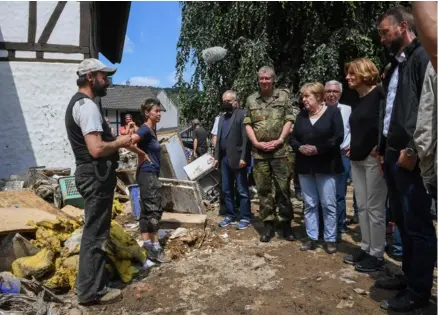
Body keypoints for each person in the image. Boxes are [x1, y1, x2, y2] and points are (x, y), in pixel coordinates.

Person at [376, 6, 437, 312]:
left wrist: (413, 150)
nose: (382, 39)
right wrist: (381, 146)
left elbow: (426, 111)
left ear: (402, 27)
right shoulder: (397, 64)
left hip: (409, 158)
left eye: (385, 32)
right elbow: (390, 113)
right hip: (391, 155)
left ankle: (419, 291)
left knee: (417, 225)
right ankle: (409, 275)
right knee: (401, 220)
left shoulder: (423, 57)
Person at [65, 58, 133, 305]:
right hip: (95, 174)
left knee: (94, 231)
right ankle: (91, 292)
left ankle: (89, 283)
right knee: (95, 234)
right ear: (91, 77)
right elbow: (96, 148)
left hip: (90, 174)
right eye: (104, 76)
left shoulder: (82, 104)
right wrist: (120, 143)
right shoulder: (87, 106)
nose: (108, 81)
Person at [342, 58, 387, 273]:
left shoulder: (380, 94)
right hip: (357, 159)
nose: (348, 77)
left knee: (375, 208)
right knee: (362, 207)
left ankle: (377, 254)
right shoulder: (357, 99)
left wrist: (378, 147)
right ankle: (366, 247)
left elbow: (387, 123)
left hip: (373, 159)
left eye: (352, 73)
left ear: (364, 73)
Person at [243, 66, 296, 243]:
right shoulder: (251, 100)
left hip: (280, 152)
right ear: (258, 80)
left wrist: (281, 139)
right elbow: (248, 123)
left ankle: (286, 224)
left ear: (273, 79)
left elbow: (289, 119)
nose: (264, 81)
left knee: (283, 189)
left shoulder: (283, 96)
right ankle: (268, 224)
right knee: (263, 190)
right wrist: (256, 143)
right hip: (260, 154)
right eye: (261, 78)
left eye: (267, 78)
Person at [290, 82, 344, 254]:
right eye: (303, 96)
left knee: (328, 203)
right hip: (305, 166)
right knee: (310, 203)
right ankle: (312, 236)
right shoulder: (301, 116)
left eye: (307, 96)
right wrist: (299, 147)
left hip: (326, 165)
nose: (303, 99)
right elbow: (293, 139)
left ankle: (330, 239)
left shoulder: (333, 112)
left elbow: (338, 137)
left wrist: (318, 148)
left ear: (318, 97)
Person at [130, 98, 170, 263]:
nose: (159, 114)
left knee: (146, 211)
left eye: (160, 111)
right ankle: (156, 248)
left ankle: (147, 245)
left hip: (147, 174)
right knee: (154, 211)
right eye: (156, 111)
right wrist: (141, 154)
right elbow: (130, 141)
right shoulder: (145, 129)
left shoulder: (152, 130)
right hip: (148, 174)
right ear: (147, 113)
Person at [215, 90, 252, 230]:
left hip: (238, 158)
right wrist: (217, 157)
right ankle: (231, 215)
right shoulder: (221, 118)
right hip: (224, 159)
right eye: (224, 101)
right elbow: (218, 140)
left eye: (228, 101)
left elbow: (245, 139)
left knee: (242, 190)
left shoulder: (242, 114)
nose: (225, 104)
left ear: (235, 102)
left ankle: (245, 216)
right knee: (226, 189)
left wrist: (244, 157)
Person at [324, 80, 353, 235]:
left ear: (340, 94)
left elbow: (355, 128)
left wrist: (352, 145)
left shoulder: (347, 109)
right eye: (328, 91)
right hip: (323, 156)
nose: (331, 94)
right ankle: (325, 226)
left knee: (339, 194)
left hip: (343, 156)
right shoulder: (319, 109)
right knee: (324, 193)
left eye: (335, 92)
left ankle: (339, 225)